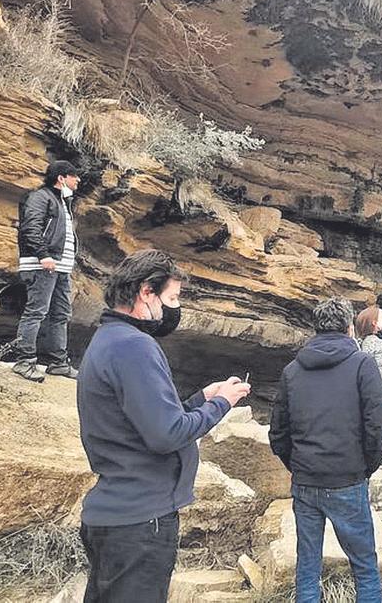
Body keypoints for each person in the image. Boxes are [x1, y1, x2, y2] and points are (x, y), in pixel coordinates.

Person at [76, 249, 251, 603]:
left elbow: (144, 422)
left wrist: (201, 398)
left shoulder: (108, 339)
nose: (175, 309)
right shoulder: (135, 346)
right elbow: (166, 434)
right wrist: (221, 404)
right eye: (171, 299)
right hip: (141, 521)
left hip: (116, 515)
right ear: (146, 292)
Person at [268, 297, 382, 603]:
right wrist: (366, 466)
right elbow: (378, 423)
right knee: (364, 566)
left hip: (306, 481)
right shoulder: (362, 364)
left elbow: (278, 432)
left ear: (316, 328)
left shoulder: (292, 370)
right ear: (349, 327)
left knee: (308, 565)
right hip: (347, 479)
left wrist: (298, 466)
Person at [13, 159, 82, 381]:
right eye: (74, 175)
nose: (78, 180)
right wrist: (43, 255)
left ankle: (58, 363)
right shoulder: (41, 197)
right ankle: (24, 362)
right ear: (61, 178)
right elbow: (30, 228)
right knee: (36, 312)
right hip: (42, 265)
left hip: (60, 268)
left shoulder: (62, 202)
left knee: (61, 315)